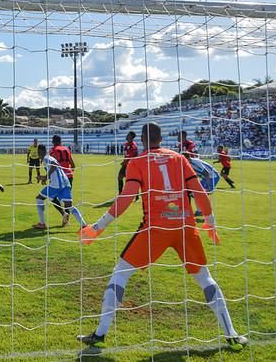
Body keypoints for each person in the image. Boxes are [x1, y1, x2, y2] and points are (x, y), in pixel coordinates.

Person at [78, 122, 247, 351]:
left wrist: (97, 227)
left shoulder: (137, 162)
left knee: (121, 272)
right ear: (161, 138)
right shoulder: (179, 158)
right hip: (185, 227)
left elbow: (126, 197)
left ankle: (99, 334)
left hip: (155, 228)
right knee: (204, 277)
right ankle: (232, 335)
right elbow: (199, 190)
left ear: (142, 139)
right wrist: (210, 222)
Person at [32, 144, 86, 230]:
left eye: (38, 152)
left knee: (39, 198)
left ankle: (42, 223)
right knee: (69, 206)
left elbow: (54, 164)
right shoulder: (49, 157)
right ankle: (83, 225)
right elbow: (55, 165)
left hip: (56, 185)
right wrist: (45, 178)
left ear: (39, 152)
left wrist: (46, 177)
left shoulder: (45, 159)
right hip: (65, 183)